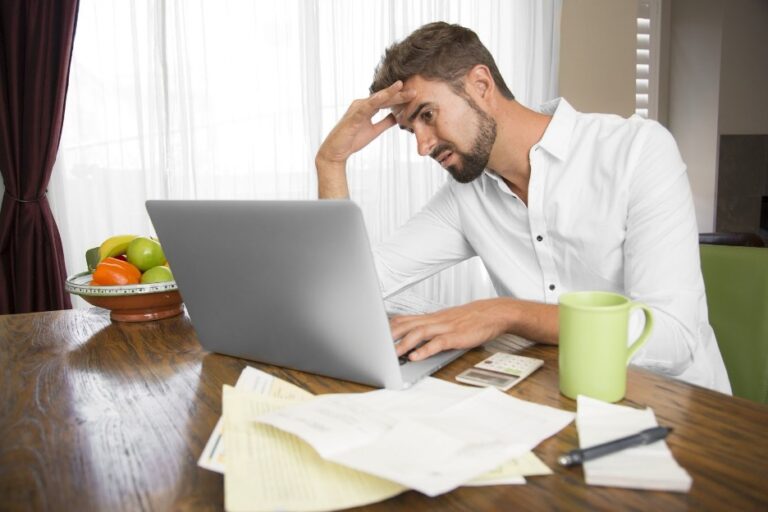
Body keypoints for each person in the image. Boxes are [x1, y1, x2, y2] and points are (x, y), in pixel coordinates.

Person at [314, 21, 731, 394]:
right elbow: (348, 292)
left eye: (427, 115)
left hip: (682, 408)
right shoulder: (466, 197)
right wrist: (331, 162)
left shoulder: (638, 151)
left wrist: (505, 313)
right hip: (556, 400)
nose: (422, 146)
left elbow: (672, 338)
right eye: (410, 131)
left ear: (481, 84)